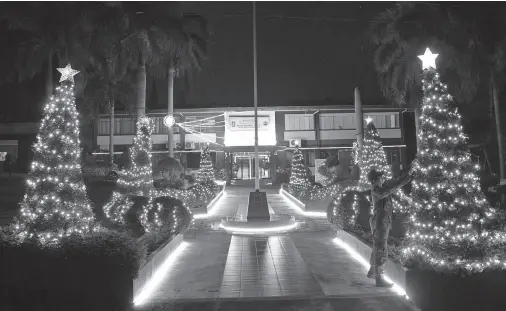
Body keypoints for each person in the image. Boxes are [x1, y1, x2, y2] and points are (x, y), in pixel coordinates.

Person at [366, 166, 413, 287]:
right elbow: (390, 189)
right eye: (380, 177)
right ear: (375, 180)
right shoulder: (377, 190)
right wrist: (404, 180)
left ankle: (373, 271)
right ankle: (379, 278)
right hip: (380, 222)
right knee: (381, 248)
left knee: (377, 247)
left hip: (382, 221)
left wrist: (406, 174)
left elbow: (392, 182)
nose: (383, 178)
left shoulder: (381, 188)